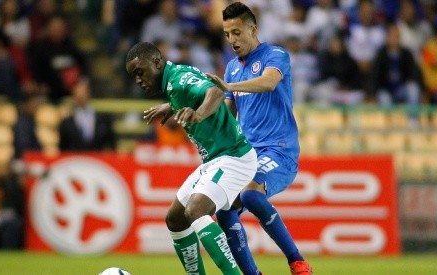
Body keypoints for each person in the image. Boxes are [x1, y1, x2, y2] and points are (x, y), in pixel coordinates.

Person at [126, 41, 257, 275]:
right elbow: (190, 93)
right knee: (175, 219)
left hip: (233, 157)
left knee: (196, 210)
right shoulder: (174, 84)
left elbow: (215, 92)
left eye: (140, 72)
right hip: (214, 161)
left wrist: (198, 114)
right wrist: (172, 107)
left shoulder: (178, 80)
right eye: (133, 76)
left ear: (157, 62)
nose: (137, 80)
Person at [205, 2, 312, 275]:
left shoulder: (276, 55)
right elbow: (227, 118)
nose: (232, 40)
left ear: (253, 29)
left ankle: (297, 261)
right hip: (247, 156)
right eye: (228, 34)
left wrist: (229, 86)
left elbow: (268, 83)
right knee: (226, 210)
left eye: (237, 32)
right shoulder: (231, 68)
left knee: (251, 195)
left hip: (279, 151)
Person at [59, 78, 116, 151]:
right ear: (73, 96)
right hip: (75, 160)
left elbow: (111, 145)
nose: (81, 96)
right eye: (78, 93)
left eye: (83, 92)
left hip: (98, 159)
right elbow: (63, 149)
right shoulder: (67, 123)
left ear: (89, 93)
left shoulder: (103, 119)